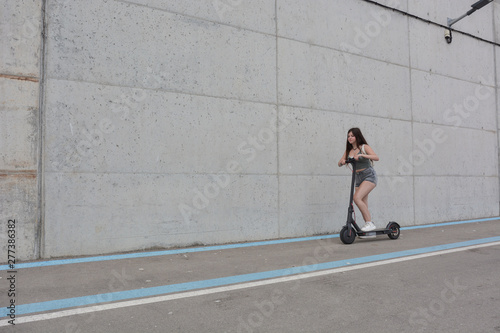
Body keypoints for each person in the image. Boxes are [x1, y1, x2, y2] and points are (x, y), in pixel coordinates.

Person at [338, 128, 379, 232]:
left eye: (352, 136)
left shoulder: (364, 147)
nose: (350, 138)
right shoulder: (349, 151)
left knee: (356, 198)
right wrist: (342, 161)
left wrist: (362, 155)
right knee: (363, 202)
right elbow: (339, 162)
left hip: (368, 175)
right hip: (358, 177)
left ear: (357, 137)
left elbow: (376, 157)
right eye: (348, 136)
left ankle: (369, 223)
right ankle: (369, 226)